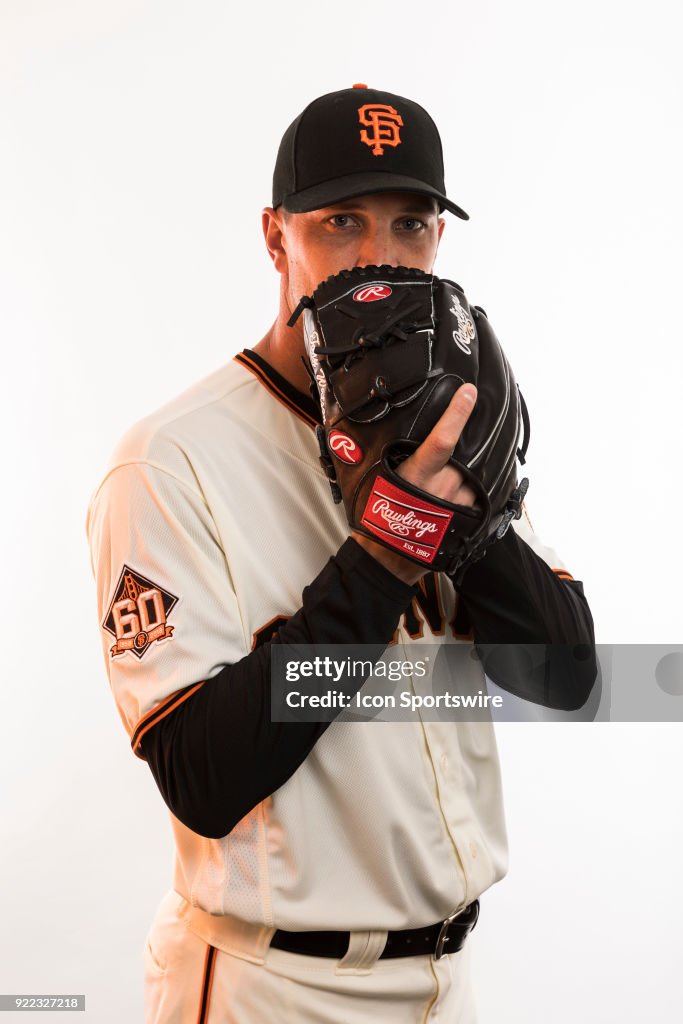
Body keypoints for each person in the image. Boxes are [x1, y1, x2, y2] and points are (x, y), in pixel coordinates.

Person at [86, 85, 597, 1023]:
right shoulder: (169, 459)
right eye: (338, 223)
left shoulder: (452, 417)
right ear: (275, 238)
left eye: (411, 223)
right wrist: (386, 547)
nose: (378, 256)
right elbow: (204, 775)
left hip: (448, 982)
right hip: (274, 986)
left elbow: (566, 679)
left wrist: (464, 516)